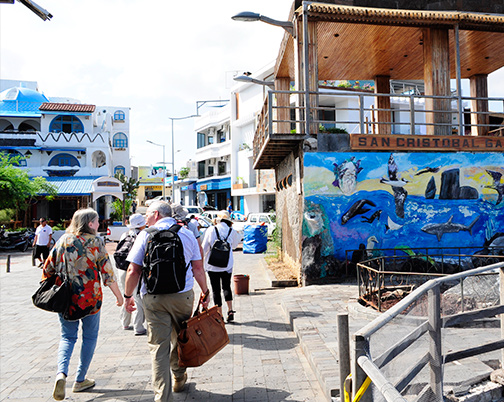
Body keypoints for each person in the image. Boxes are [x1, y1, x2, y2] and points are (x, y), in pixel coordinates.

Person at [123, 201, 209, 401]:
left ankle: (163, 397)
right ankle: (179, 376)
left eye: (147, 214)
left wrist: (128, 297)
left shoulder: (146, 234)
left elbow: (133, 270)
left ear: (156, 214)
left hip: (153, 298)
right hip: (182, 295)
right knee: (181, 337)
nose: (145, 218)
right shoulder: (187, 233)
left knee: (158, 346)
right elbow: (198, 268)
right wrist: (205, 291)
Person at [42, 208, 123, 401]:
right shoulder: (96, 242)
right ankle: (80, 379)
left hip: (66, 299)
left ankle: (61, 374)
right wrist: (120, 297)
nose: (98, 224)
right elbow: (108, 274)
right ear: (89, 223)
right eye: (96, 221)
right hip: (90, 299)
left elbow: (48, 268)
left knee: (67, 337)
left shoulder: (63, 240)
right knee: (89, 338)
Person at [201, 210, 240, 323]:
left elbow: (204, 247)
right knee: (226, 287)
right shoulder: (232, 231)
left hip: (212, 266)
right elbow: (234, 246)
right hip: (227, 265)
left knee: (215, 290)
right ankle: (230, 310)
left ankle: (220, 314)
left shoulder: (211, 230)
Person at [114, 213, 147, 335]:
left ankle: (125, 322)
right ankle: (138, 326)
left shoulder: (125, 234)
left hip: (121, 268)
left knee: (127, 294)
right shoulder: (143, 235)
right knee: (137, 296)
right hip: (134, 269)